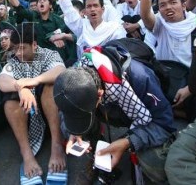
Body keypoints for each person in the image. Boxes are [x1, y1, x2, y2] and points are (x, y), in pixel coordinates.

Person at [54, 45, 175, 184]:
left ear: (99, 95)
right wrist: (74, 131)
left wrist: (128, 142)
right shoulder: (74, 76)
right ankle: (97, 160)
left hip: (138, 109)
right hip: (108, 105)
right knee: (77, 126)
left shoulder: (140, 78)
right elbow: (66, 111)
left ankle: (133, 153)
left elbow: (164, 124)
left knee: (154, 162)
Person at [0, 23, 66, 182]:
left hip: (52, 115)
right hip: (28, 115)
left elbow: (60, 71)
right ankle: (27, 154)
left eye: (22, 48)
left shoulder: (48, 54)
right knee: (10, 101)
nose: (18, 53)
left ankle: (57, 147)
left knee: (51, 86)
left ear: (34, 45)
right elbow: (2, 80)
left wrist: (33, 81)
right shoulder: (14, 60)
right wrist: (21, 87)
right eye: (15, 49)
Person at [53, 0, 126, 58]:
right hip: (84, 70)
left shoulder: (114, 29)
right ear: (85, 11)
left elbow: (121, 54)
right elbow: (67, 7)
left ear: (102, 9)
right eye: (89, 6)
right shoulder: (81, 26)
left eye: (95, 5)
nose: (92, 9)